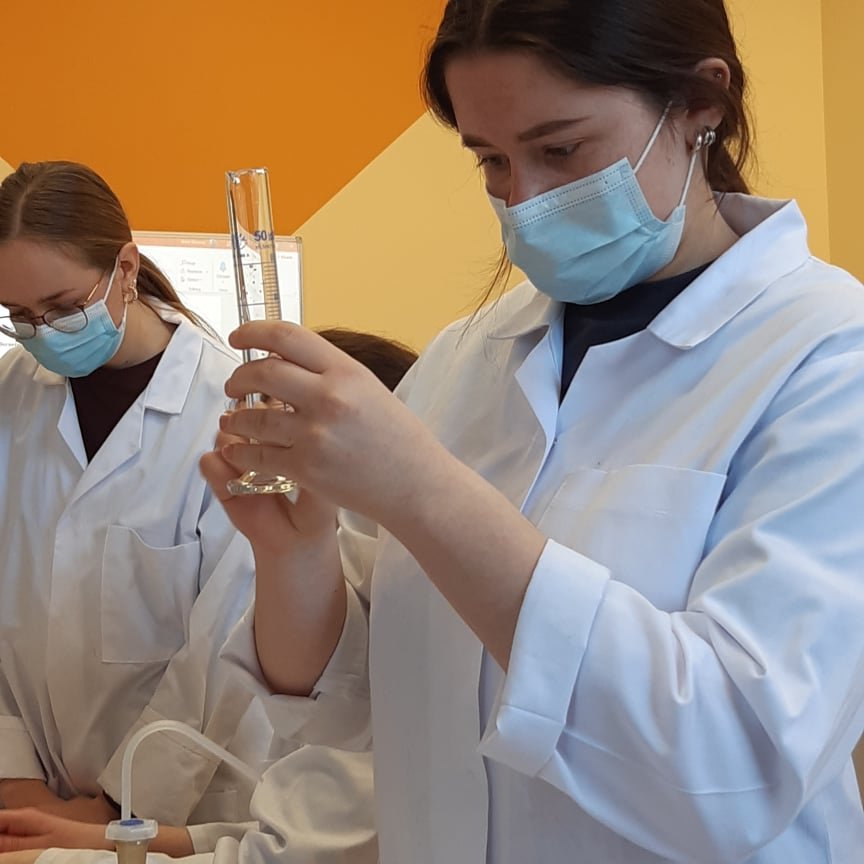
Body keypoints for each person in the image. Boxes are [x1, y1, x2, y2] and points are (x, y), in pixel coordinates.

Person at [202, 1, 864, 862]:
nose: (524, 200)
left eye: (562, 150)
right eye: (491, 160)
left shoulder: (828, 358)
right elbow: (359, 708)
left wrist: (424, 491)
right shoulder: (466, 355)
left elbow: (735, 767)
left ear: (700, 103)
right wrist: (295, 555)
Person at [0, 328, 417, 864]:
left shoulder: (396, 654)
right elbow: (270, 834)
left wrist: (71, 849)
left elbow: (288, 852)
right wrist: (102, 837)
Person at [0, 162, 271, 856]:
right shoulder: (10, 398)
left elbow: (229, 643)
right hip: (26, 803)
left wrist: (120, 806)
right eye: (20, 317)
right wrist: (16, 779)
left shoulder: (230, 411)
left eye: (63, 307)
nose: (44, 334)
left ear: (125, 268)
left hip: (177, 817)